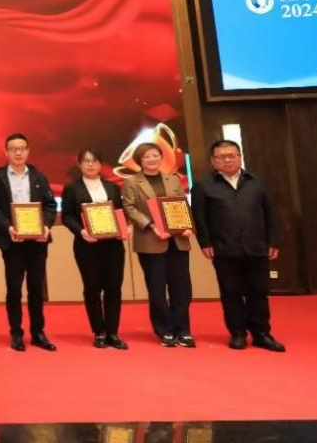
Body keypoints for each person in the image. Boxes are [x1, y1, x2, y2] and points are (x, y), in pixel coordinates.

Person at [191, 140, 285, 351]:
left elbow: (271, 213)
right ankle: (238, 333)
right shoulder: (203, 185)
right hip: (223, 247)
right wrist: (205, 242)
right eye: (221, 157)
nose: (227, 160)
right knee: (230, 292)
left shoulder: (257, 182)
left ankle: (262, 333)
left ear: (240, 157)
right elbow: (200, 217)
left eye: (232, 155)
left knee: (258, 291)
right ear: (213, 160)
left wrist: (273, 241)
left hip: (257, 246)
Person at [0, 133, 59, 352]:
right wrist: (8, 227)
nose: (18, 152)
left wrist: (46, 226)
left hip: (37, 242)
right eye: (14, 149)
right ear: (6, 152)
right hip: (12, 242)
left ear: (28, 151)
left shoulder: (38, 176)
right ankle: (16, 332)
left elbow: (50, 205)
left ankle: (38, 332)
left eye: (22, 148)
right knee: (14, 289)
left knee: (36, 288)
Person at [121, 142, 194, 347]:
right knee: (157, 288)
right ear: (139, 160)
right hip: (151, 240)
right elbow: (129, 208)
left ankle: (183, 329)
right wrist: (152, 226)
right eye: (147, 156)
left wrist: (187, 225)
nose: (152, 159)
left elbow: (182, 205)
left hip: (178, 240)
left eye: (155, 155)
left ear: (162, 157)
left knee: (182, 287)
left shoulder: (173, 179)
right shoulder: (132, 182)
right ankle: (165, 330)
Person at [60, 148, 128, 349]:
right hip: (87, 245)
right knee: (92, 288)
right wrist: (81, 231)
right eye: (86, 161)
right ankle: (99, 332)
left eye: (95, 161)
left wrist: (125, 227)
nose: (90, 164)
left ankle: (113, 333)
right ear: (79, 164)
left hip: (113, 245)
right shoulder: (72, 188)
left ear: (100, 164)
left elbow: (120, 212)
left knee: (113, 288)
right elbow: (67, 216)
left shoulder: (112, 187)